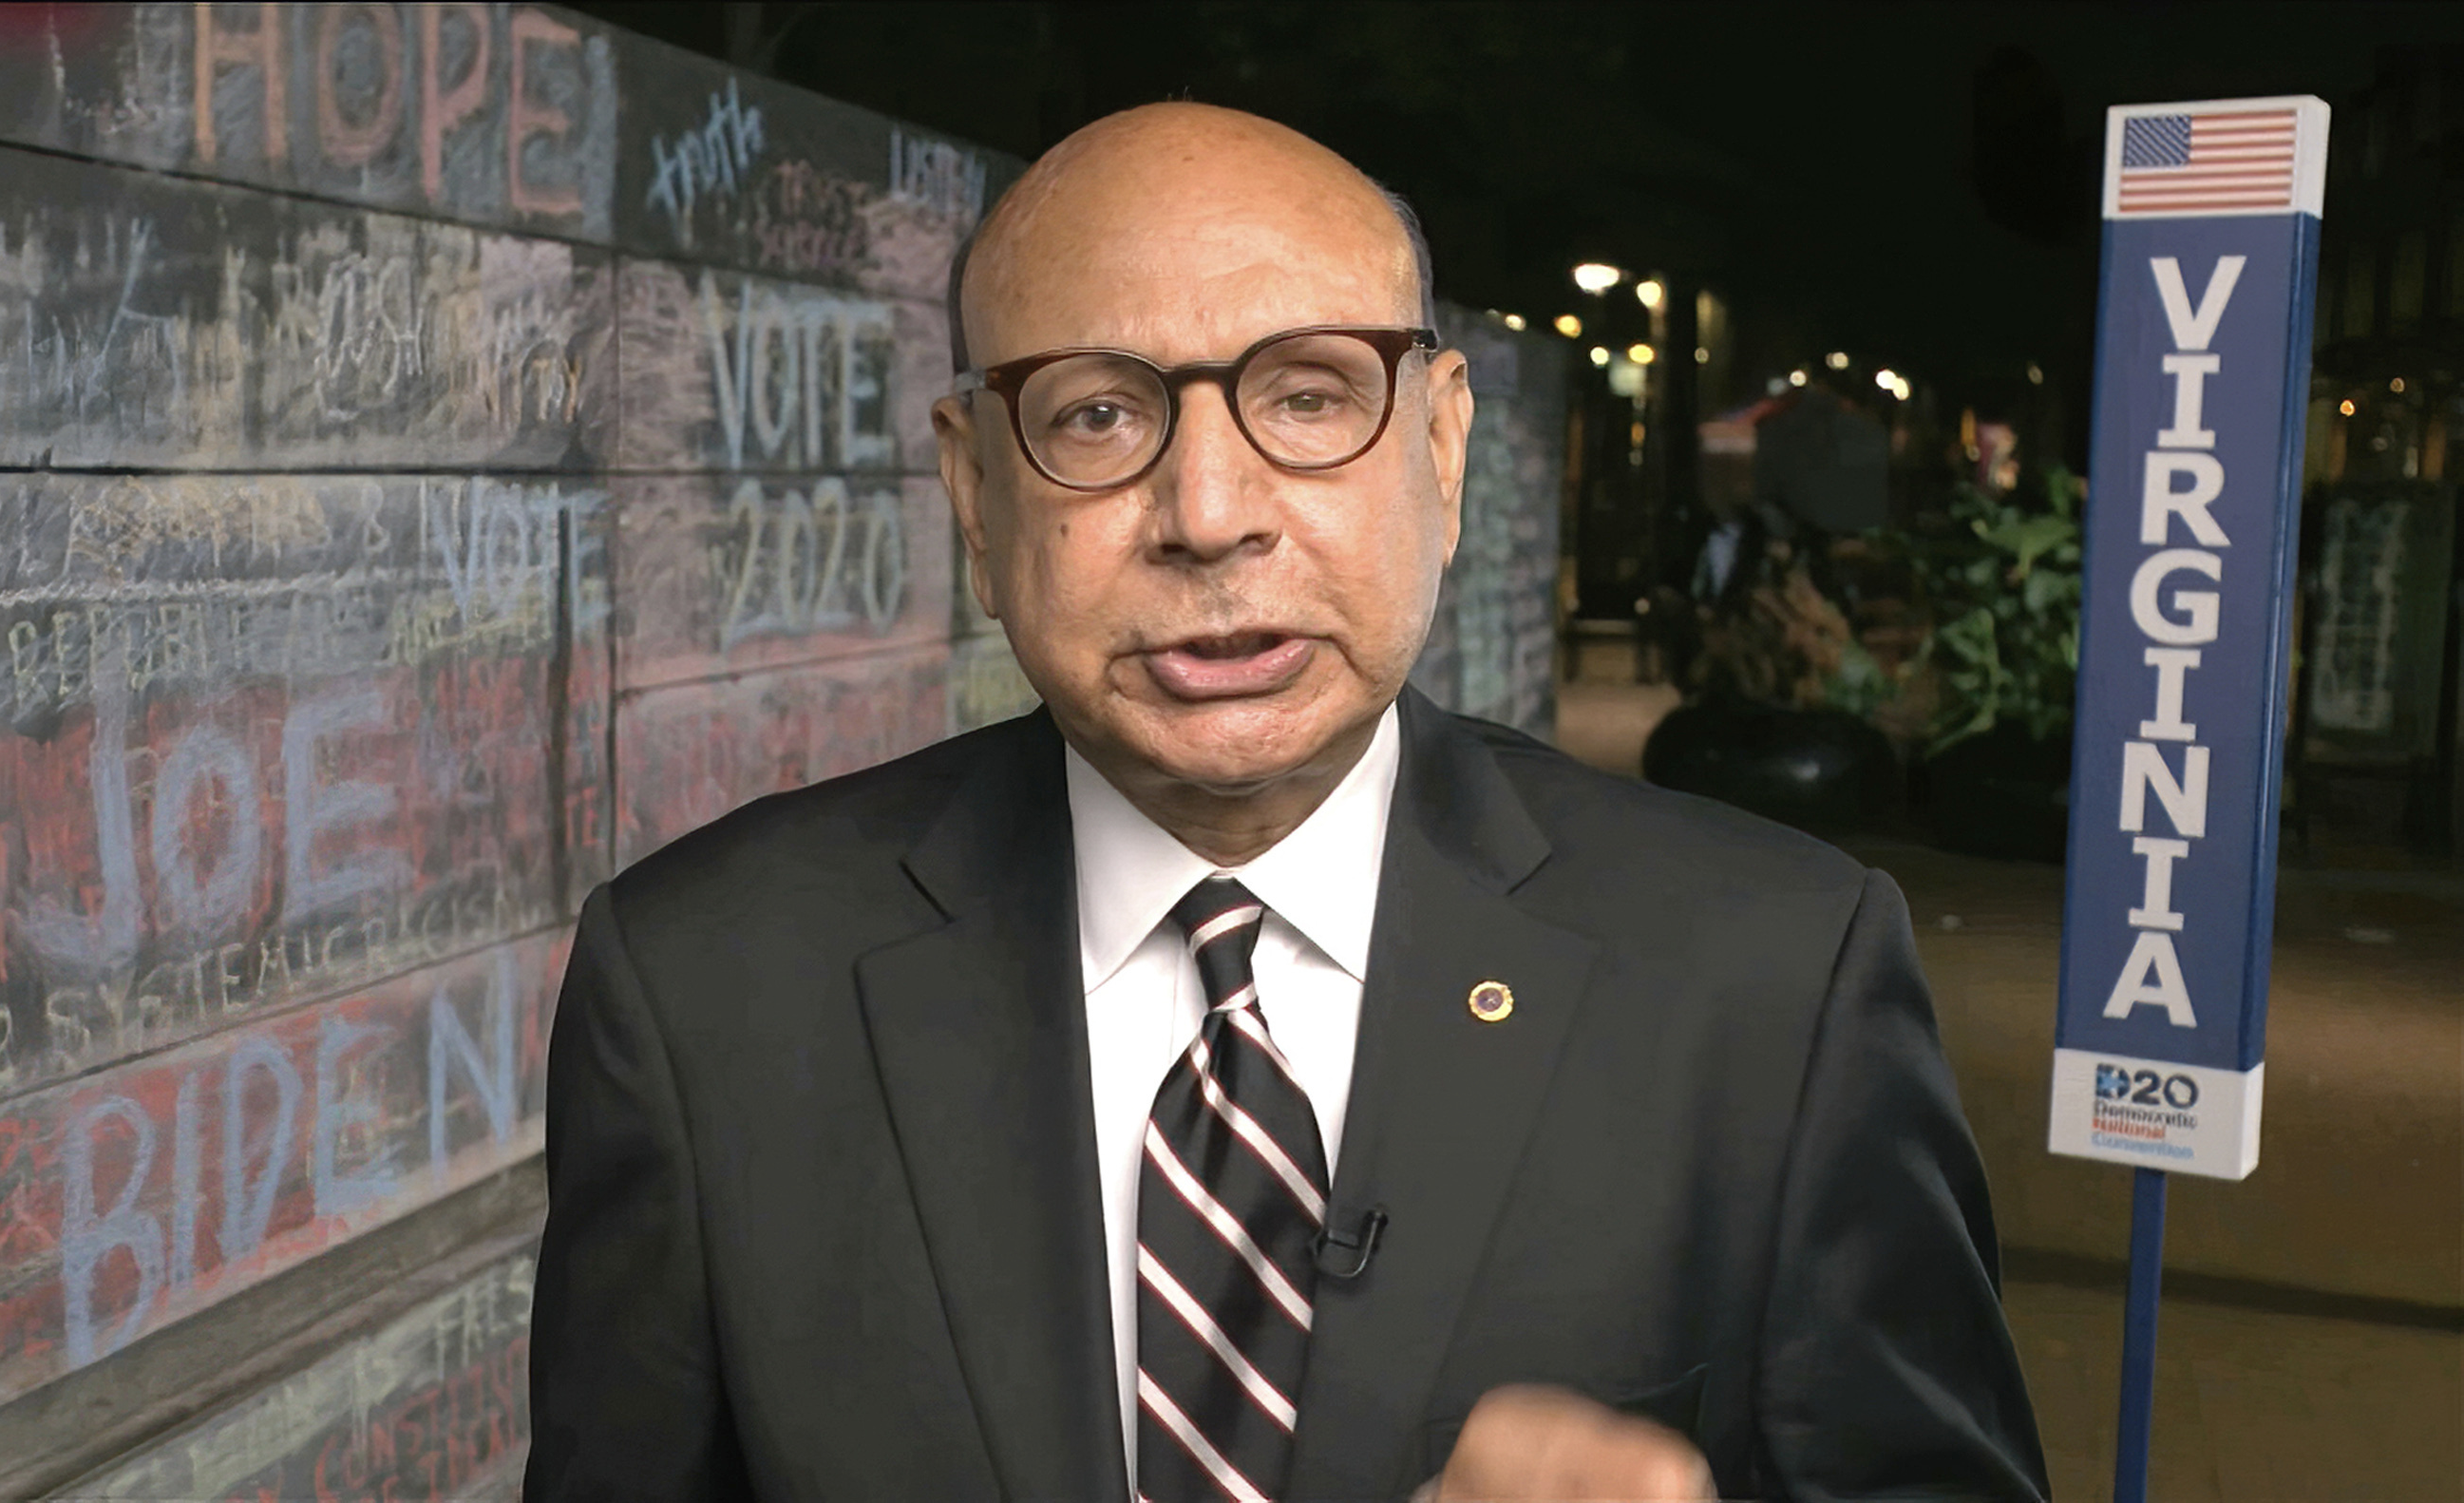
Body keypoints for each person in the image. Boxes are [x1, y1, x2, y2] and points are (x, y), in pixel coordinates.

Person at [524, 103, 2047, 1503]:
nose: (1209, 514)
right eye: (1101, 417)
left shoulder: (1780, 984)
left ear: (1441, 448)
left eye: (1310, 396)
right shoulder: (704, 995)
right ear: (979, 494)